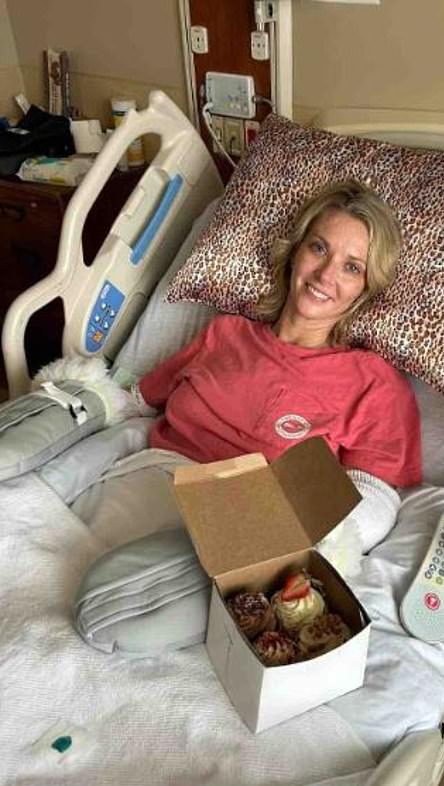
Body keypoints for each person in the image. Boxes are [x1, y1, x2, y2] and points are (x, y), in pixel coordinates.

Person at [75, 180, 423, 656]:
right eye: (318, 248)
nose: (325, 274)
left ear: (366, 287)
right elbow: (133, 400)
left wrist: (290, 541)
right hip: (145, 485)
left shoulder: (373, 382)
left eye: (351, 267)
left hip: (244, 525)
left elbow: (376, 498)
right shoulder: (224, 334)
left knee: (115, 622)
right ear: (295, 250)